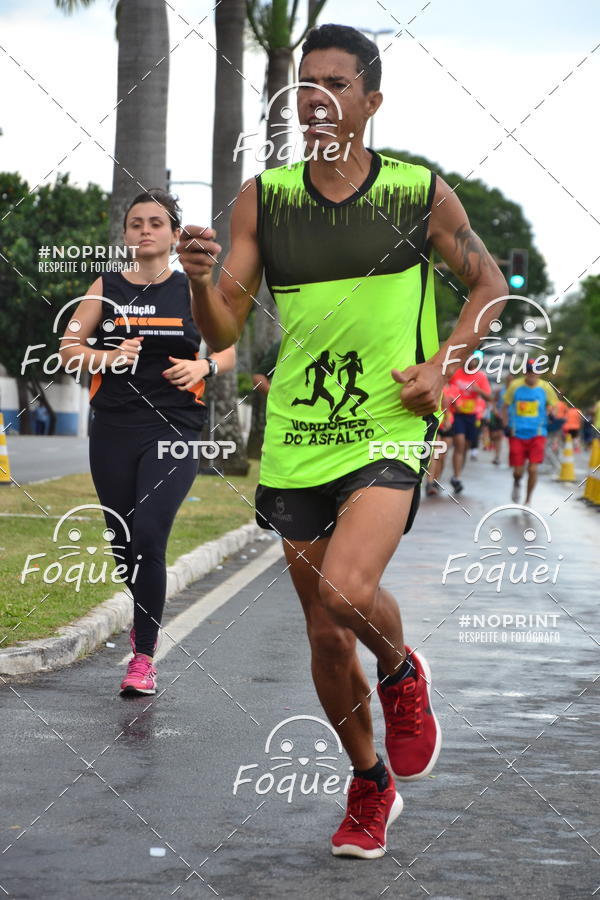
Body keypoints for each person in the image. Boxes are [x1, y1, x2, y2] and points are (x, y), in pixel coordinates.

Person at [178, 23, 507, 858]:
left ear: (371, 101)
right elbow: (226, 320)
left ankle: (401, 674)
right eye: (304, 87)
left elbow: (489, 285)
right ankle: (369, 783)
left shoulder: (416, 193)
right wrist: (195, 277)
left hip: (388, 422)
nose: (315, 100)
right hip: (297, 434)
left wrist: (446, 362)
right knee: (324, 634)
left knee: (347, 592)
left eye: (333, 83)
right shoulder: (266, 198)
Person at [59, 189, 236, 696]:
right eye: (135, 223)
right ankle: (144, 618)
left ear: (174, 234)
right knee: (123, 542)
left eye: (156, 223)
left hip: (175, 427)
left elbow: (226, 352)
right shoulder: (106, 286)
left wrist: (202, 365)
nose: (145, 231)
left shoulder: (192, 288)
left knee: (151, 534)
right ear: (125, 234)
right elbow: (69, 349)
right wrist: (108, 357)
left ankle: (143, 657)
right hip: (113, 426)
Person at [503, 360, 559, 505]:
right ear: (525, 372)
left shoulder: (545, 387)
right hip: (517, 433)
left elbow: (554, 405)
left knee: (533, 469)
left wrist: (552, 413)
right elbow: (506, 405)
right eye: (529, 371)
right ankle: (516, 482)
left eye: (535, 371)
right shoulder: (515, 386)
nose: (532, 374)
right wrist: (505, 424)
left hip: (538, 433)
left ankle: (528, 500)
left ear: (539, 372)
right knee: (518, 471)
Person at [447, 359, 492, 493]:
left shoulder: (481, 377)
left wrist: (478, 390)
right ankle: (457, 476)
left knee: (465, 447)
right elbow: (446, 388)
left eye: (474, 360)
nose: (471, 362)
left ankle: (457, 477)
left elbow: (489, 397)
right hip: (457, 414)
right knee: (459, 443)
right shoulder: (455, 373)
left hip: (472, 416)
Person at [426, 383, 454, 496]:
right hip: (436, 422)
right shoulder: (435, 384)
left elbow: (456, 406)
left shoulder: (454, 388)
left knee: (442, 456)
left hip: (448, 424)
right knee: (435, 454)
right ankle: (429, 482)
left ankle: (436, 481)